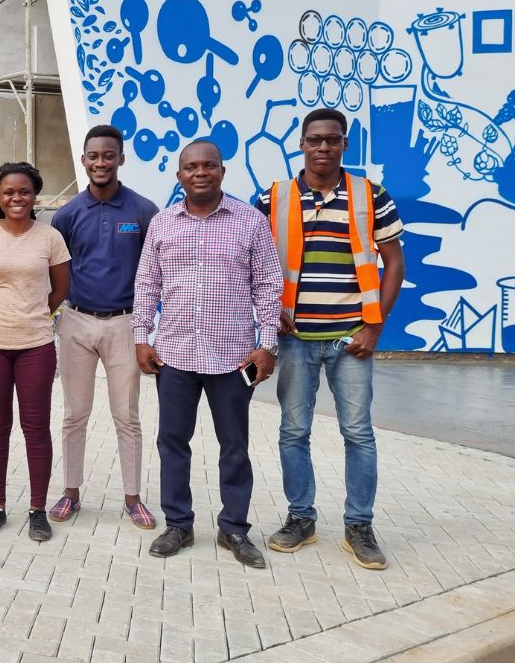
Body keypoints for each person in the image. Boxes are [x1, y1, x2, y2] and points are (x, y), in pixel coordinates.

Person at [256, 108, 405, 570]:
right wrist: (266, 312)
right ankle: (301, 517)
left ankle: (359, 524)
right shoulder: (274, 197)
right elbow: (251, 259)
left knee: (358, 433)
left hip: (351, 340)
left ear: (345, 145)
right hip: (296, 338)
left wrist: (374, 325)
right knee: (293, 431)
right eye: (315, 139)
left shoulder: (370, 194)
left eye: (333, 140)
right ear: (300, 144)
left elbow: (394, 262)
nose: (323, 147)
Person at [132, 140, 282, 569]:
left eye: (209, 165)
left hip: (234, 359)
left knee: (234, 445)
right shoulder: (162, 224)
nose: (201, 172)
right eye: (191, 166)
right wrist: (142, 337)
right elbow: (146, 285)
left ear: (222, 170)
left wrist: (266, 345)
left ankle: (234, 527)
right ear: (179, 174)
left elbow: (268, 286)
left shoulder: (251, 222)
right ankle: (178, 523)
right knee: (172, 443)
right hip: (175, 355)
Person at [48, 125, 159, 529]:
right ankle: (71, 492)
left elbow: (156, 272)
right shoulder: (67, 214)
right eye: (93, 156)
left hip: (124, 324)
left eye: (108, 155)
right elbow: (53, 271)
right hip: (76, 321)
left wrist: (147, 328)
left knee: (126, 415)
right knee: (74, 413)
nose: (100, 162)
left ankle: (133, 498)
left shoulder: (144, 211)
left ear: (121, 159)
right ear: (84, 160)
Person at [0, 162, 70, 542]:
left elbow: (61, 287)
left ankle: (38, 510)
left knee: (36, 428)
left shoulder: (50, 237)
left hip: (36, 347)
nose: (16, 198)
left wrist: (36, 313)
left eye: (24, 191)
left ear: (35, 196)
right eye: (8, 192)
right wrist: (1, 315)